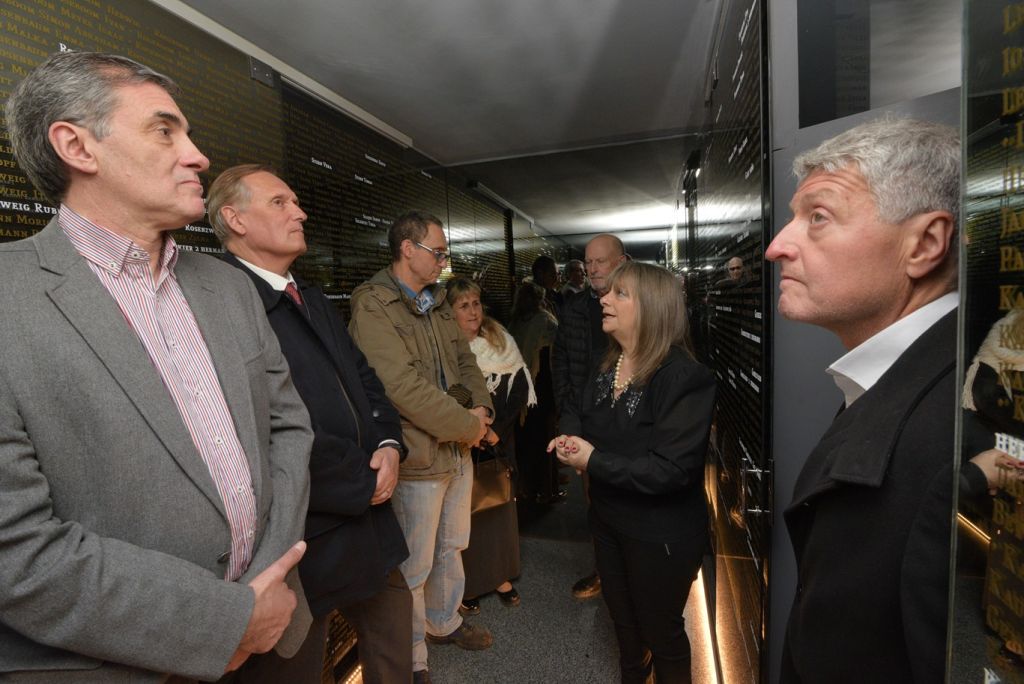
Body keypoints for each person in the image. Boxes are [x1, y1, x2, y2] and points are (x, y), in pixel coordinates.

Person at [0, 52, 313, 681]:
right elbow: (18, 550)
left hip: (277, 627)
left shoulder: (227, 287)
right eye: (165, 130)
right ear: (77, 146)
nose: (198, 155)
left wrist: (265, 588)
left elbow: (289, 429)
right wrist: (224, 619)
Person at [764, 116, 959, 683]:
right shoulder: (896, 378)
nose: (778, 246)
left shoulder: (951, 433)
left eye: (818, 218)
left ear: (923, 244)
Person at [208, 165, 413, 683]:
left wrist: (389, 444)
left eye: (295, 202)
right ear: (235, 219)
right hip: (302, 538)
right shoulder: (222, 307)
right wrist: (361, 481)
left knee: (393, 649)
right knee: (295, 664)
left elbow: (366, 382)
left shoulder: (314, 299)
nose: (299, 212)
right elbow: (259, 428)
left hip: (369, 522)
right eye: (280, 203)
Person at [549, 261, 716, 683]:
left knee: (661, 632)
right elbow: (576, 407)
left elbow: (671, 470)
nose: (603, 298)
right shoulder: (606, 364)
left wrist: (592, 461)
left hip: (660, 533)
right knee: (623, 625)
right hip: (608, 521)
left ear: (653, 308)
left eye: (619, 294)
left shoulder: (683, 377)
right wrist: (570, 435)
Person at [348, 211, 495, 684]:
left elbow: (465, 363)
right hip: (418, 458)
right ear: (407, 249)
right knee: (414, 565)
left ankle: (443, 620)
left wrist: (483, 411)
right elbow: (400, 387)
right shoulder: (373, 305)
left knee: (453, 546)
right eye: (438, 251)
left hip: (456, 451)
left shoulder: (434, 300)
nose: (443, 260)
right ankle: (411, 654)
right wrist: (468, 427)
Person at [447, 276, 535, 614]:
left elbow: (519, 389)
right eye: (463, 306)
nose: (473, 312)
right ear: (450, 312)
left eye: (476, 304)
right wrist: (472, 427)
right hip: (462, 441)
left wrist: (496, 428)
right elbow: (447, 391)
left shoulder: (500, 339)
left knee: (498, 507)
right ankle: (468, 582)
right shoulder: (446, 347)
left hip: (500, 440)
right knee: (464, 514)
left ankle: (500, 575)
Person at [552, 232, 627, 599]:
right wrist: (569, 425)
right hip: (589, 427)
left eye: (602, 261)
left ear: (621, 262)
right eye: (589, 262)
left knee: (633, 502)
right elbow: (563, 366)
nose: (594, 269)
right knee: (598, 505)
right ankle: (605, 571)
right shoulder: (575, 308)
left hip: (631, 426)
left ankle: (637, 575)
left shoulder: (641, 304)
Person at [508, 281, 560, 503]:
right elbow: (554, 358)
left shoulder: (514, 323)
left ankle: (525, 487)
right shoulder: (546, 321)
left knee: (525, 440)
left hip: (518, 387)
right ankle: (547, 491)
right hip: (541, 387)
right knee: (545, 440)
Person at [532, 254, 564, 319]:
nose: (556, 278)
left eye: (557, 274)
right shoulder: (531, 301)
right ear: (540, 274)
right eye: (553, 274)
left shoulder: (553, 296)